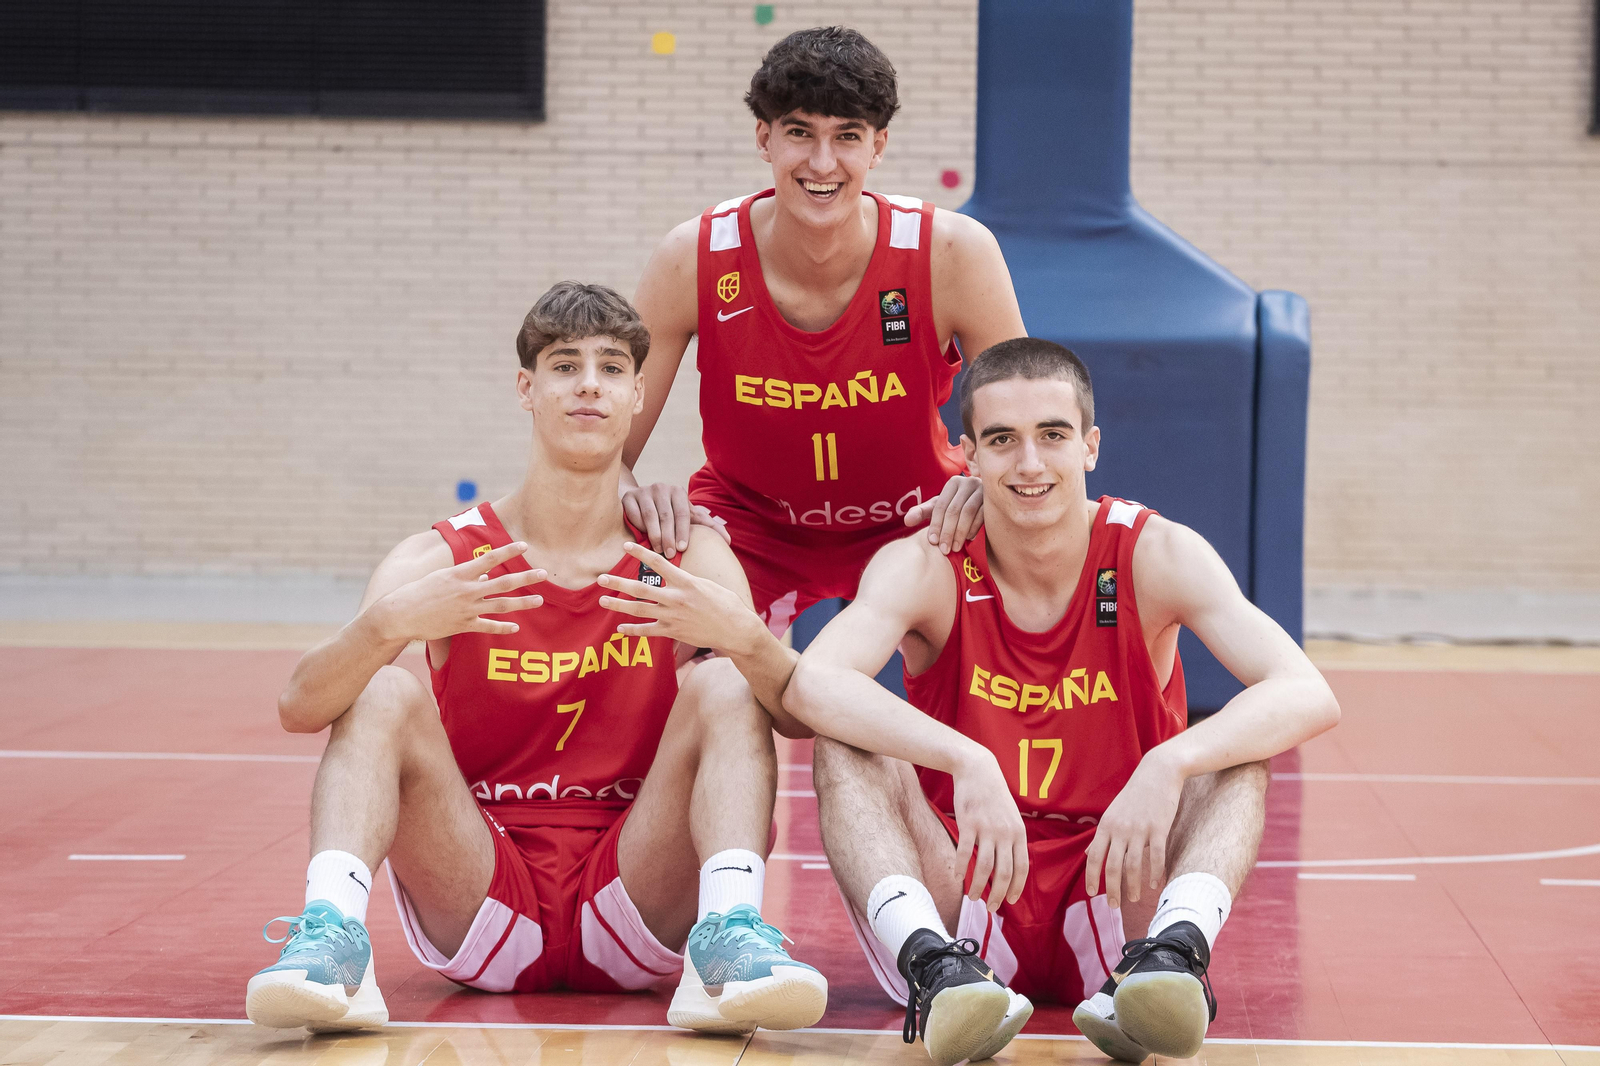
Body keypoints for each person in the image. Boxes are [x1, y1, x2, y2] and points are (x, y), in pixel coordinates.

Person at [245, 282, 826, 1037]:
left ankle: (730, 938)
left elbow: (788, 714)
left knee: (723, 681)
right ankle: (327, 940)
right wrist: (389, 624)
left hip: (638, 889)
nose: (589, 383)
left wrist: (744, 638)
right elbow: (300, 706)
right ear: (527, 387)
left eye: (612, 368)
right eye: (564, 364)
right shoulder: (441, 556)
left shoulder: (685, 556)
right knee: (382, 689)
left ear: (637, 393)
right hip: (482, 890)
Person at [782, 338, 1341, 1063]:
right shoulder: (927, 563)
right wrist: (965, 757)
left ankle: (1170, 957)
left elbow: (1307, 692)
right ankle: (933, 969)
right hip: (968, 887)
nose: (1030, 464)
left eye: (1052, 435)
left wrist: (1171, 761)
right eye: (1002, 441)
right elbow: (815, 683)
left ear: (1090, 446)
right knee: (846, 744)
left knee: (1236, 751)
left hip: (1116, 881)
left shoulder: (1155, 553)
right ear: (968, 457)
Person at [622, 26, 1028, 635]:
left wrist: (985, 488)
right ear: (764, 137)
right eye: (799, 132)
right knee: (642, 623)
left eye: (846, 137)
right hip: (746, 524)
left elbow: (1029, 427)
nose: (821, 162)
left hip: (919, 516)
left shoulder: (952, 252)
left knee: (1022, 627)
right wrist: (635, 496)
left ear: (878, 145)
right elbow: (608, 454)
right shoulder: (693, 256)